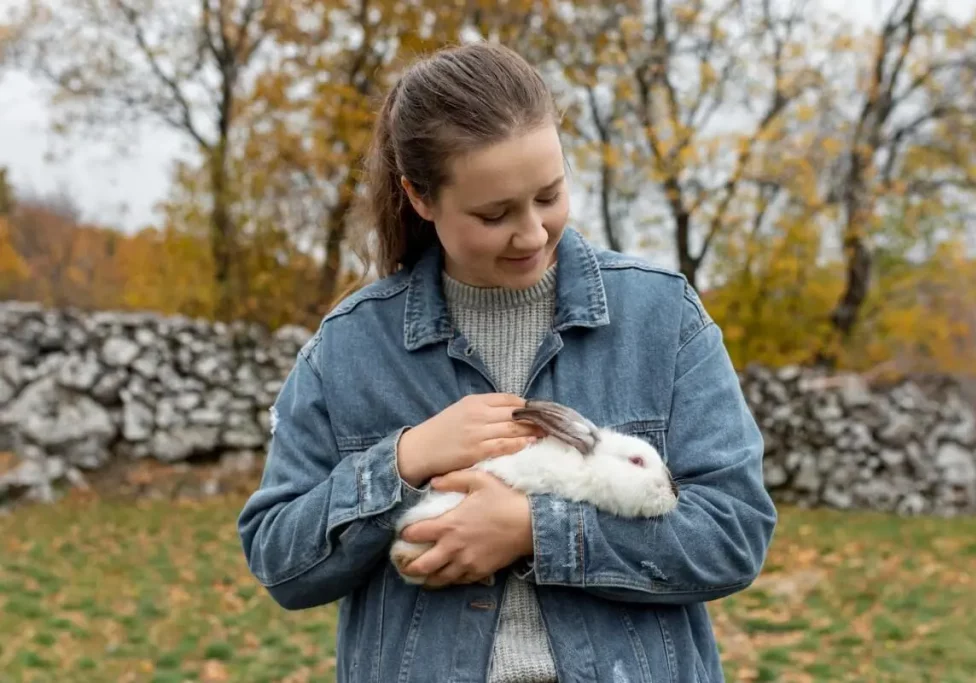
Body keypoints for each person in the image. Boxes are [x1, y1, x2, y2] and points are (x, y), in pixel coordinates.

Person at [237, 41, 777, 683]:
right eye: (493, 214)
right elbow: (280, 562)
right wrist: (402, 460)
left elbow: (733, 535)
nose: (531, 233)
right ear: (420, 196)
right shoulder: (350, 347)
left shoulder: (662, 315)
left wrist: (534, 532)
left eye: (549, 196)